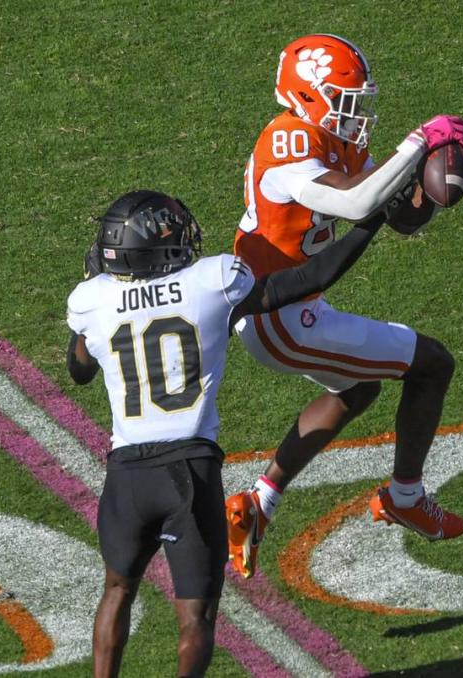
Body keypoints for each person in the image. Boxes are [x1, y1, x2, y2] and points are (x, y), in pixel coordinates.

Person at [67, 189, 387, 677]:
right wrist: (373, 217)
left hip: (125, 474)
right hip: (187, 471)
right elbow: (311, 278)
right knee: (196, 617)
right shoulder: (210, 282)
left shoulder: (92, 301)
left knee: (116, 590)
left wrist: (99, 286)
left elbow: (79, 369)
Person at [226, 33, 463, 580]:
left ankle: (258, 503)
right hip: (276, 313)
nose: (356, 113)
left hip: (289, 309)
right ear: (310, 96)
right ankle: (405, 496)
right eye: (346, 100)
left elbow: (395, 216)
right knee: (432, 365)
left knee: (358, 388)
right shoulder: (287, 141)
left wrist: (432, 186)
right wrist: (418, 143)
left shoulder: (330, 139)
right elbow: (355, 202)